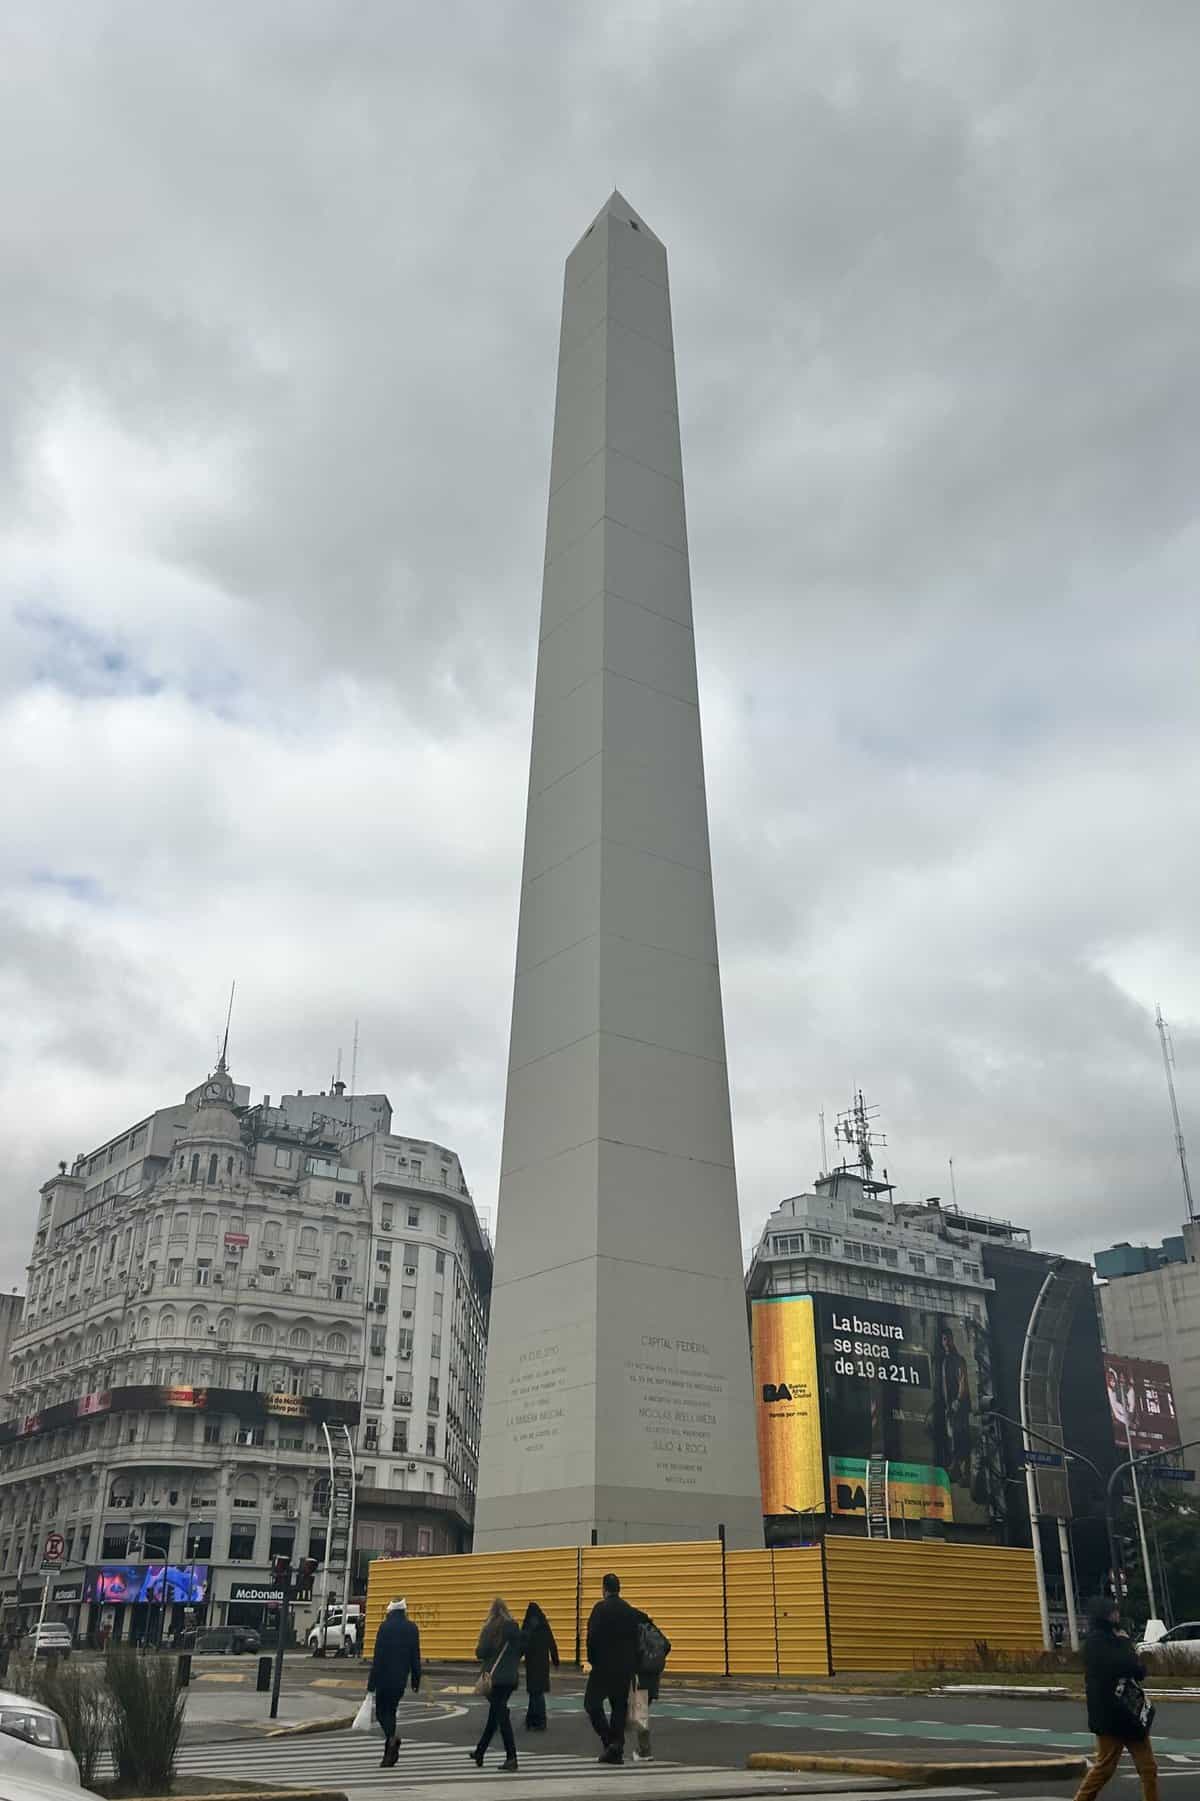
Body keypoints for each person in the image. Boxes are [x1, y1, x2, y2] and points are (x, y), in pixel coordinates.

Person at [1073, 1595, 1159, 1800]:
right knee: (1104, 1768)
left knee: (1148, 1767)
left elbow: (1136, 1670)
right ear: (1104, 1615)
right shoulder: (1096, 1641)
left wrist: (1126, 1647)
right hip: (1110, 1714)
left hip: (1130, 1712)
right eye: (1113, 1611)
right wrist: (1124, 1644)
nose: (1117, 1614)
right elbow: (1124, 1665)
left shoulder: (1116, 1637)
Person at [585, 1573, 641, 1764]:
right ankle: (616, 1748)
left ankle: (609, 1741)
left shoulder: (600, 1609)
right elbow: (636, 1640)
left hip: (603, 1667)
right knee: (618, 1706)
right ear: (619, 1588)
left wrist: (593, 1661)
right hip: (625, 1668)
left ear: (604, 1589)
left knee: (592, 1704)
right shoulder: (629, 1610)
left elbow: (591, 1638)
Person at [366, 1596, 421, 1768]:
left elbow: (378, 1656)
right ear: (404, 1610)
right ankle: (389, 1753)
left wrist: (371, 1682)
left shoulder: (384, 1627)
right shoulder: (412, 1628)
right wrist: (415, 1679)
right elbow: (415, 1656)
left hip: (383, 1677)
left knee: (382, 1713)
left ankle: (391, 1739)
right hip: (400, 1678)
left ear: (391, 1610)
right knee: (391, 1710)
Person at [472, 1597, 522, 1773]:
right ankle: (480, 1751)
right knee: (495, 1714)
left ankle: (512, 1757)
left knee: (501, 1717)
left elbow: (481, 1652)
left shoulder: (491, 1627)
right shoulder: (515, 1627)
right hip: (510, 1679)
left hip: (494, 1679)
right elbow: (521, 1650)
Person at [520, 1602, 560, 1731]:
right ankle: (538, 1720)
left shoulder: (527, 1626)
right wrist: (555, 1660)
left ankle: (533, 1720)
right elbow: (551, 1643)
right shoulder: (544, 1625)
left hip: (531, 1663)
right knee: (539, 1692)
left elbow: (522, 1644)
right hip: (542, 1663)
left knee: (533, 1692)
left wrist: (516, 1657)